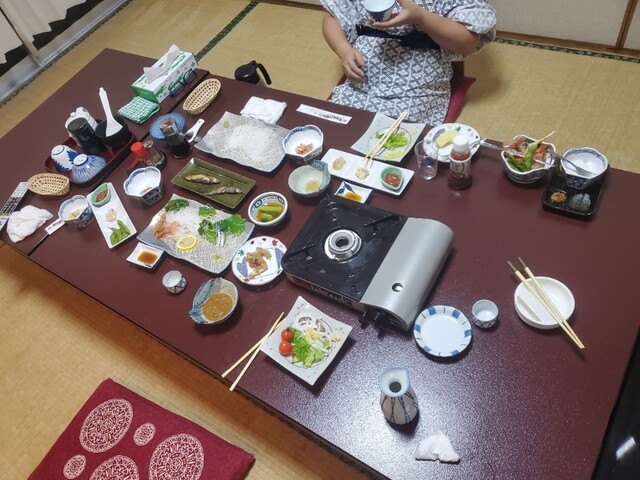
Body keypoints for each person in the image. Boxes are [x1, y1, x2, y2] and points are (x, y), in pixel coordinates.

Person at [321, 0, 497, 125]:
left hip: (418, 87)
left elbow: (467, 42)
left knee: (401, 137)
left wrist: (421, 17)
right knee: (339, 127)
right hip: (362, 79)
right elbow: (333, 16)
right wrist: (343, 49)